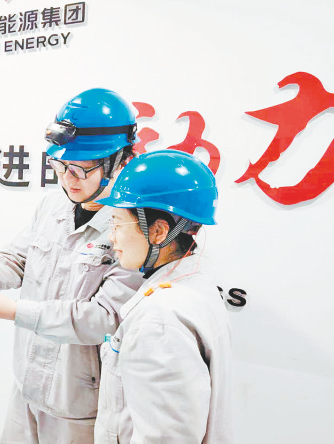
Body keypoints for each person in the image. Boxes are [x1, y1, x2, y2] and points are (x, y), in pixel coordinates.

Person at [0, 88, 146, 443]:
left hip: (79, 403)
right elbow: (17, 259)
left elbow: (104, 318)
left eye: (80, 169)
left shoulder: (132, 228)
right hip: (26, 384)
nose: (68, 179)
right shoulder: (52, 206)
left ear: (119, 161)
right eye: (59, 166)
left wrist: (13, 311)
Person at [93, 150, 233, 443]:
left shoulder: (159, 322)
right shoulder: (195, 283)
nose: (111, 237)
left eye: (117, 223)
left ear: (158, 231)